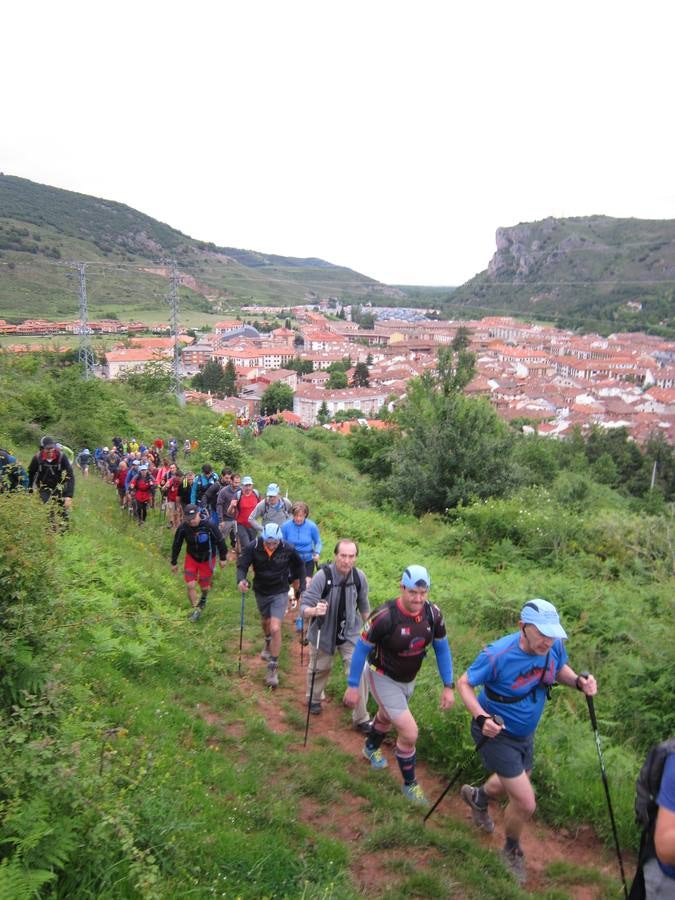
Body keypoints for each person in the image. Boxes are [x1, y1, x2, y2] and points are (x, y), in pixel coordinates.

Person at [456, 599, 597, 884]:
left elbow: (559, 669)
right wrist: (481, 718)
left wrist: (579, 683)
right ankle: (510, 850)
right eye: (541, 633)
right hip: (496, 733)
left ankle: (478, 797)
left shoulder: (552, 646)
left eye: (552, 634)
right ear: (522, 627)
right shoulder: (498, 654)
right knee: (525, 801)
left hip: (525, 734)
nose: (547, 640)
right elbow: (464, 683)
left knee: (518, 779)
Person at [343, 565, 455, 806]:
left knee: (385, 715)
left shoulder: (433, 614)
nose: (418, 598)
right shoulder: (384, 616)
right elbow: (361, 649)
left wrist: (448, 685)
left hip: (408, 678)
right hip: (381, 675)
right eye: (413, 592)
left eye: (423, 593)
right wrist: (353, 685)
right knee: (409, 732)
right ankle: (410, 784)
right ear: (402, 588)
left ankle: (370, 747)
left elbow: (442, 648)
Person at [301, 539, 371, 732]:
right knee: (321, 668)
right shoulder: (322, 576)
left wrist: (372, 628)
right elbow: (304, 607)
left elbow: (364, 605)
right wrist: (314, 610)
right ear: (335, 556)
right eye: (343, 556)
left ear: (356, 558)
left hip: (351, 633)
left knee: (360, 671)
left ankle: (362, 718)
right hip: (323, 631)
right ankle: (314, 698)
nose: (347, 561)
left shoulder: (359, 577)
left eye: (351, 556)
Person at [236, 523, 305, 688]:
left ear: (279, 539)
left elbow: (300, 566)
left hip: (280, 591)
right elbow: (242, 565)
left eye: (274, 543)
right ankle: (267, 641)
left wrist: (300, 584)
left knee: (275, 627)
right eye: (268, 542)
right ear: (263, 538)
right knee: (266, 622)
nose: (271, 545)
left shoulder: (287, 548)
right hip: (261, 590)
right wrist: (241, 580)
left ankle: (273, 667)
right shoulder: (254, 546)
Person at [171, 504, 227, 622]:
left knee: (205, 587)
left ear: (198, 514)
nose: (192, 521)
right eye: (189, 518)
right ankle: (195, 609)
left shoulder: (209, 525)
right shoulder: (183, 528)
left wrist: (222, 558)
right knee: (190, 584)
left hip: (207, 559)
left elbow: (220, 541)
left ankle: (204, 597)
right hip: (191, 557)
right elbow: (177, 544)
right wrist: (174, 562)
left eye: (194, 517)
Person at [27, 436, 75, 524]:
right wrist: (30, 490)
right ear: (42, 448)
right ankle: (51, 532)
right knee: (49, 509)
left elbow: (70, 476)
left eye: (51, 448)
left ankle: (64, 533)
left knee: (63, 512)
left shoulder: (62, 457)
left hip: (59, 487)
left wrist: (69, 496)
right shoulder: (37, 458)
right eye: (47, 449)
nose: (50, 451)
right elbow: (31, 474)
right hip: (44, 488)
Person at [280, 501, 322, 583]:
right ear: (292, 515)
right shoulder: (285, 526)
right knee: (296, 586)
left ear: (305, 515)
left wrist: (317, 553)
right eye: (296, 516)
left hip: (308, 560)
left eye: (301, 516)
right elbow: (281, 543)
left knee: (306, 585)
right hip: (292, 560)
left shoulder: (312, 526)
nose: (298, 518)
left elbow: (318, 542)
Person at [229, 476, 260, 553]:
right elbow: (229, 512)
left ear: (252, 485)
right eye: (246, 485)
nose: (248, 488)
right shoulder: (238, 495)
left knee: (253, 545)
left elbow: (261, 508)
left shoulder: (256, 494)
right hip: (241, 525)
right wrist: (232, 506)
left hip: (253, 525)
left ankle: (250, 561)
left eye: (249, 485)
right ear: (242, 486)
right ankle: (245, 561)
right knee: (247, 545)